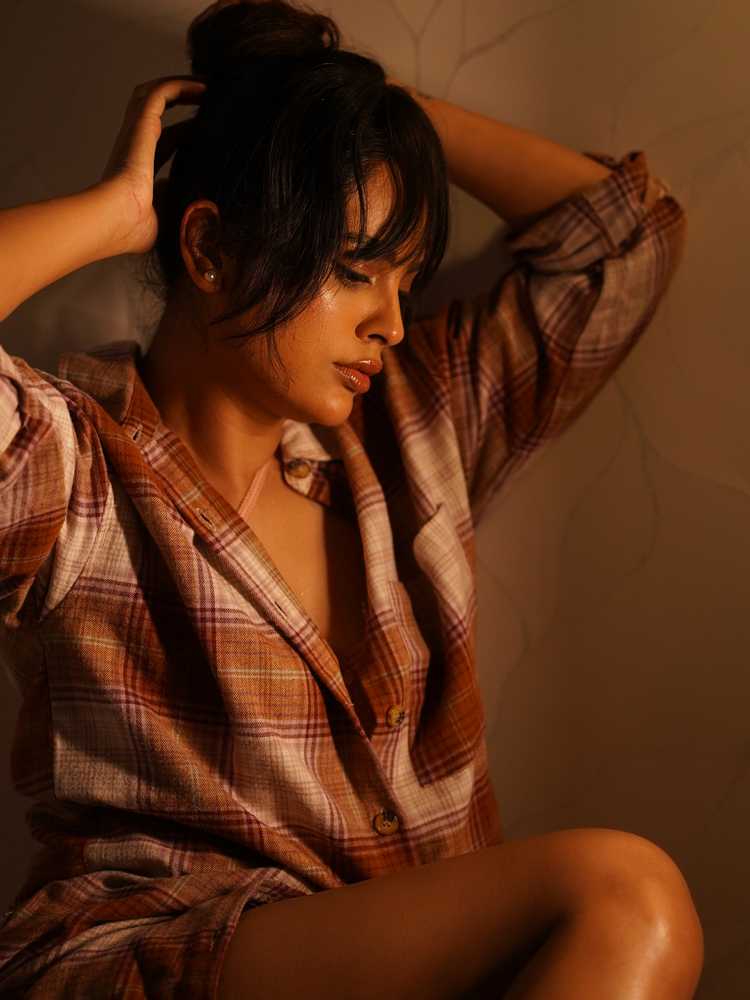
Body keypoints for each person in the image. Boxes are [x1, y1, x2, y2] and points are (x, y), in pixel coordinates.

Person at [0, 1, 702, 997]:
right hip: (156, 959)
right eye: (353, 269)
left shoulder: (414, 427)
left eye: (406, 281)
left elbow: (628, 240)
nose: (391, 323)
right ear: (208, 250)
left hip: (416, 965)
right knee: (626, 895)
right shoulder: (72, 470)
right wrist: (114, 214)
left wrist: (375, 114)